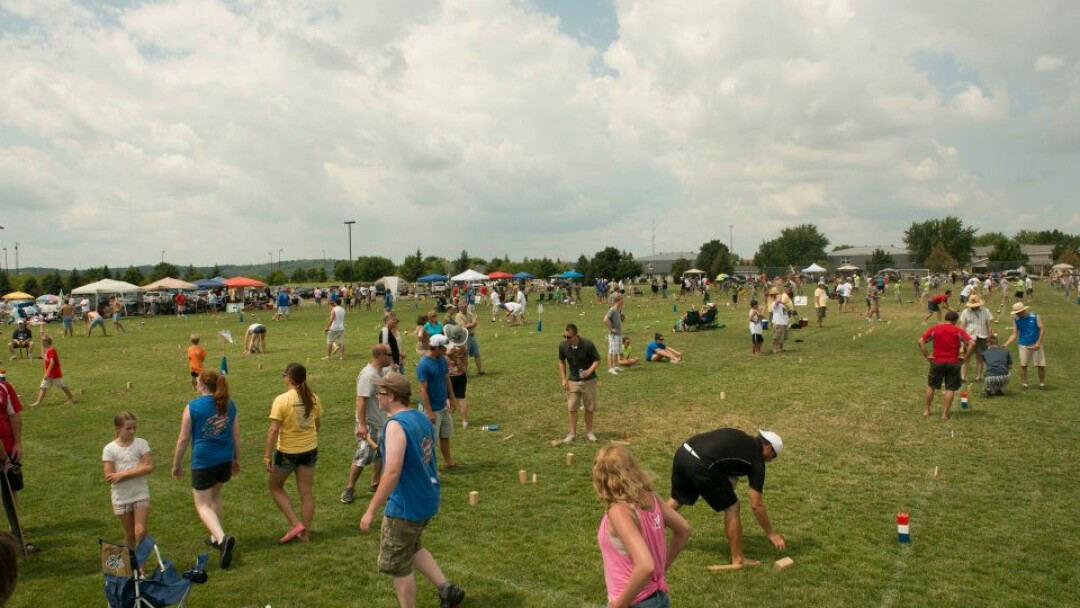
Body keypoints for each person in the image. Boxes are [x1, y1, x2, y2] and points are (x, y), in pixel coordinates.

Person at [359, 373, 465, 608]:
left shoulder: (395, 426)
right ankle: (447, 590)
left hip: (406, 505)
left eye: (381, 393)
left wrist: (370, 510)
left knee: (397, 565)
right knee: (411, 545)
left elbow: (392, 472)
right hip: (427, 497)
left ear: (392, 396)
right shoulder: (420, 416)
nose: (377, 396)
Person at [667, 428, 786, 567]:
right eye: (773, 456)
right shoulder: (757, 461)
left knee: (678, 498)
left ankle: (643, 529)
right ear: (768, 448)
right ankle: (738, 559)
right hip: (701, 463)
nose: (770, 461)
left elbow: (723, 454)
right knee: (732, 506)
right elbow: (756, 504)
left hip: (684, 452)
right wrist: (771, 533)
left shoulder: (742, 437)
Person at [593, 444, 690, 608]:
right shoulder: (651, 498)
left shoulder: (619, 511)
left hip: (635, 602)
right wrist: (660, 571)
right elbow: (684, 530)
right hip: (657, 598)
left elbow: (645, 566)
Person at [171, 370, 240, 568]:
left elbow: (183, 439)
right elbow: (236, 436)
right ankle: (215, 538)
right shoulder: (230, 404)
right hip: (225, 458)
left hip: (204, 462)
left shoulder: (193, 407)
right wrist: (236, 459)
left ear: (201, 386)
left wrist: (176, 465)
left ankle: (221, 538)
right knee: (215, 498)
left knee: (202, 505)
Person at [265, 363, 323, 543]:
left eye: (284, 375)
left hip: (288, 452)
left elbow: (273, 430)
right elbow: (317, 424)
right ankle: (305, 534)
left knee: (275, 487)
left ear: (289, 378)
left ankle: (296, 524)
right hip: (309, 450)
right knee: (306, 492)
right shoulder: (314, 398)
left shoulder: (282, 400)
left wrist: (267, 454)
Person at [341, 345, 392, 505]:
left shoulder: (380, 373)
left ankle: (375, 484)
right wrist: (362, 425)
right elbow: (361, 400)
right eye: (389, 354)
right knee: (363, 456)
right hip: (369, 424)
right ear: (379, 355)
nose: (391, 357)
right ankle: (349, 488)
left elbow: (381, 396)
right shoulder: (368, 375)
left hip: (381, 422)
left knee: (380, 455)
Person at [102, 412, 153, 550]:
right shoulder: (109, 449)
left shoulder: (142, 443)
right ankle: (131, 567)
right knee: (130, 534)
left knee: (140, 532)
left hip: (140, 493)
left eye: (134, 428)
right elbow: (111, 477)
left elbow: (148, 467)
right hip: (121, 496)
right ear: (117, 429)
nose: (132, 431)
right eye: (128, 428)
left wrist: (124, 474)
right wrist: (138, 470)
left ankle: (141, 570)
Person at [0, 370, 35, 555]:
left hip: (6, 449)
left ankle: (13, 531)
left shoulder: (4, 388)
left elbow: (14, 415)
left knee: (11, 490)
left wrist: (18, 443)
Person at [918, 310, 975, 420]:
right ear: (955, 320)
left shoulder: (935, 328)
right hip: (953, 362)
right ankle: (945, 414)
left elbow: (920, 341)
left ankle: (926, 410)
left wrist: (927, 355)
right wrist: (965, 358)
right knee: (950, 388)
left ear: (945, 318)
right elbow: (972, 343)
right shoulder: (958, 330)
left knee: (931, 386)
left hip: (937, 361)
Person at [417, 334, 458, 469]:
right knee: (429, 441)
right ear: (435, 347)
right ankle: (428, 468)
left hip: (443, 405)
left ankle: (448, 461)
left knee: (445, 435)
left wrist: (452, 398)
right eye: (443, 349)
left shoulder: (441, 359)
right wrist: (429, 412)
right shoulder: (424, 364)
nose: (446, 351)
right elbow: (422, 389)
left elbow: (447, 378)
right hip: (431, 408)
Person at [557, 324, 601, 444]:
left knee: (589, 408)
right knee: (572, 408)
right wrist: (563, 379)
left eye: (569, 337)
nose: (566, 339)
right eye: (564, 336)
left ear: (576, 335)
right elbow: (561, 361)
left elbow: (597, 360)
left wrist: (589, 371)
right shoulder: (563, 346)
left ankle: (590, 432)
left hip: (589, 381)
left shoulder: (588, 344)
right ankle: (572, 434)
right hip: (573, 381)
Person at [1002, 302, 1047, 389]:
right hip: (1023, 344)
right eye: (1016, 313)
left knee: (1040, 365)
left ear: (1024, 310)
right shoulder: (1016, 320)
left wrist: (1038, 342)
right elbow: (1014, 334)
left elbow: (1042, 329)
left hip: (1036, 343)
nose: (1017, 314)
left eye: (1019, 312)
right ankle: (1024, 384)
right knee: (1023, 365)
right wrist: (1006, 344)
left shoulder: (1035, 316)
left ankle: (1042, 383)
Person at [27, 337, 75, 407]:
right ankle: (38, 402)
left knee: (62, 386)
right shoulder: (47, 350)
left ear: (47, 342)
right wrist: (46, 372)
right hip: (49, 374)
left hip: (55, 374)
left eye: (43, 342)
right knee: (42, 387)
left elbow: (52, 363)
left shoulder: (51, 350)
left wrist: (47, 373)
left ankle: (71, 399)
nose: (42, 343)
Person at [958, 295, 993, 382]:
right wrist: (961, 340)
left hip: (982, 337)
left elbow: (988, 325)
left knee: (980, 358)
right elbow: (962, 326)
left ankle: (978, 377)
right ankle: (963, 377)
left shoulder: (986, 311)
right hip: (969, 338)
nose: (974, 307)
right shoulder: (965, 312)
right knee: (966, 358)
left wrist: (989, 337)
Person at [444, 326, 470, 428]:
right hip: (461, 374)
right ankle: (465, 421)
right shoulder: (464, 347)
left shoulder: (449, 349)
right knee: (461, 397)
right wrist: (465, 369)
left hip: (449, 376)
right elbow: (466, 360)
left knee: (448, 398)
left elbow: (446, 355)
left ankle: (447, 421)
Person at [453, 304, 483, 375]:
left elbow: (475, 323)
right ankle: (464, 372)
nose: (461, 308)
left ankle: (480, 370)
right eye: (460, 306)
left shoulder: (470, 313)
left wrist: (469, 324)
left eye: (463, 306)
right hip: (465, 337)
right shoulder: (458, 316)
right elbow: (463, 327)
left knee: (477, 353)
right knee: (465, 355)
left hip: (473, 336)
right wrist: (472, 324)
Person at [603, 294, 626, 375]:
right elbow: (605, 319)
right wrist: (611, 329)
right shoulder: (612, 309)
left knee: (616, 351)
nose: (623, 301)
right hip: (614, 335)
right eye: (621, 300)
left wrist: (622, 317)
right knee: (611, 351)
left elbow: (619, 319)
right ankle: (610, 368)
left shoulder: (618, 309)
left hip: (619, 334)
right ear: (617, 301)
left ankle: (615, 366)